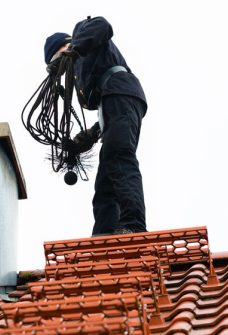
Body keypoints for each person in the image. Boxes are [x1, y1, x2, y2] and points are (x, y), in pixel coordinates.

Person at [44, 16, 147, 236]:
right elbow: (108, 110)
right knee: (105, 182)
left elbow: (103, 24)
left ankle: (133, 225)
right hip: (114, 102)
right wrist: (91, 135)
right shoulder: (83, 76)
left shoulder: (81, 34)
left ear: (63, 47)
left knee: (119, 158)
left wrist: (75, 49)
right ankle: (103, 236)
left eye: (57, 59)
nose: (62, 69)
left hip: (120, 92)